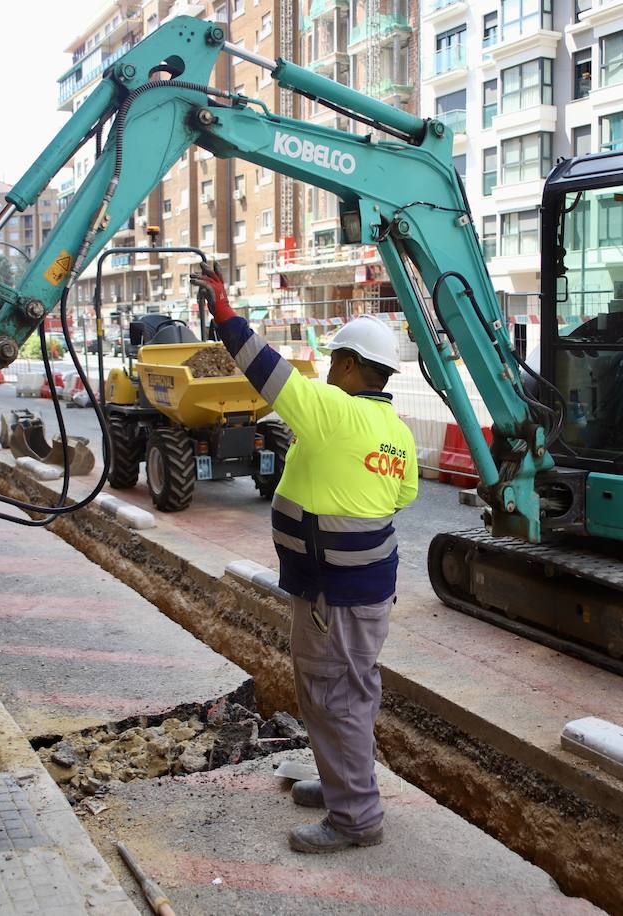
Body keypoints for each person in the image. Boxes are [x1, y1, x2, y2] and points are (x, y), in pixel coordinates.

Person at [193, 263, 418, 855]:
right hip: (363, 591)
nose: (326, 372)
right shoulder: (394, 431)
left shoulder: (335, 410)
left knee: (331, 694)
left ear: (347, 365)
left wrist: (224, 310)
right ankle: (346, 785)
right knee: (351, 692)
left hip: (332, 596)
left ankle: (355, 819)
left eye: (332, 363)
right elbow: (400, 497)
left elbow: (268, 372)